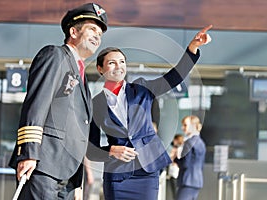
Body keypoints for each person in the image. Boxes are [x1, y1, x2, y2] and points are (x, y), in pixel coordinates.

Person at [86, 25, 212, 200]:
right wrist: (112, 150)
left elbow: (173, 77)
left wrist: (192, 49)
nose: (119, 66)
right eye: (112, 62)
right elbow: (91, 150)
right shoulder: (95, 104)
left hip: (147, 172)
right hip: (117, 175)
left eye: (122, 62)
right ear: (100, 69)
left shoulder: (141, 88)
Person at [8, 3, 108, 199]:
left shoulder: (82, 76)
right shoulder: (55, 55)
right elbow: (37, 104)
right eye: (92, 29)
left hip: (68, 175)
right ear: (73, 31)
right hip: (44, 166)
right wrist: (29, 153)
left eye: (100, 33)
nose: (98, 36)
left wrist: (78, 180)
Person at [174, 115, 206, 200]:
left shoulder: (189, 142)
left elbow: (185, 163)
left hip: (187, 180)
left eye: (185, 125)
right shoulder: (201, 142)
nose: (182, 128)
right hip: (196, 181)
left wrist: (176, 159)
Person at [168, 134, 184, 199]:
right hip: (173, 173)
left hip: (175, 173)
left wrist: (173, 154)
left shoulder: (179, 149)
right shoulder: (177, 149)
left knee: (176, 194)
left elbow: (173, 159)